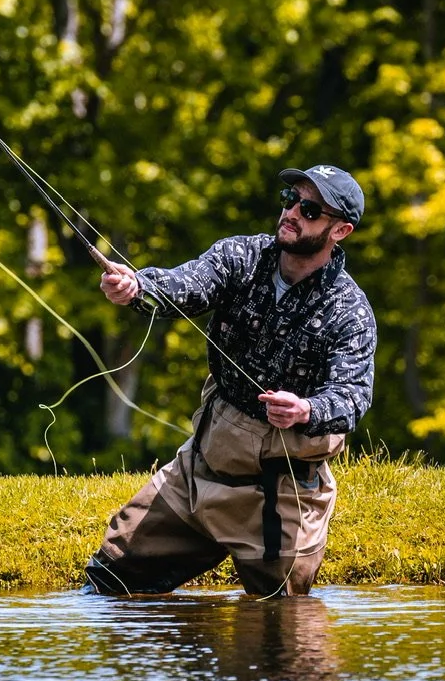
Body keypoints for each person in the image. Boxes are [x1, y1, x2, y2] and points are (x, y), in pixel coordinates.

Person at [83, 165, 376, 596]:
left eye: (310, 210)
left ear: (341, 231)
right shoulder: (241, 256)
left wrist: (306, 409)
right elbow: (187, 283)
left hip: (283, 489)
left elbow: (353, 396)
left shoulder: (349, 311)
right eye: (290, 199)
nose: (292, 213)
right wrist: (138, 286)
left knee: (281, 614)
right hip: (204, 464)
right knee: (109, 581)